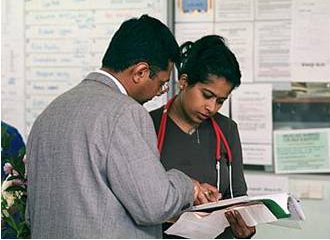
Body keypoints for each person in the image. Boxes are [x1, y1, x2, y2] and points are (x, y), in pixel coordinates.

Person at [26, 15, 219, 239]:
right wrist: (188, 185)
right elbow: (155, 205)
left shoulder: (51, 111)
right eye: (161, 83)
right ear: (140, 72)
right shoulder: (125, 113)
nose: (160, 92)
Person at [150, 35, 256, 238]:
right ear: (184, 81)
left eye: (220, 101)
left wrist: (245, 230)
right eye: (207, 95)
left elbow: (237, 197)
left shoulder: (227, 130)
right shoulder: (147, 126)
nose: (211, 108)